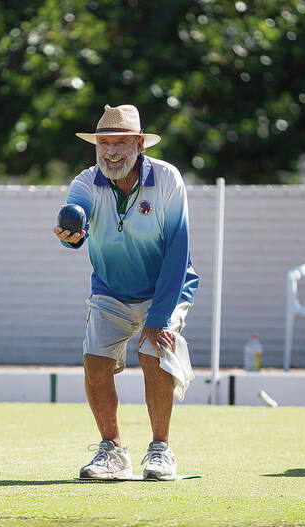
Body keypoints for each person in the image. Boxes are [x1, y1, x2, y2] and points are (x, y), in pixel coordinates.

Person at [54, 104, 199, 480]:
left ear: (139, 145)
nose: (111, 151)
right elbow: (77, 218)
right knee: (95, 363)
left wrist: (159, 318)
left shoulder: (167, 179)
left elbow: (178, 250)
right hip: (111, 289)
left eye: (121, 142)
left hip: (165, 288)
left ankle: (161, 451)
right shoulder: (85, 182)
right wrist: (72, 232)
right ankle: (113, 451)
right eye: (104, 143)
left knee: (153, 352)